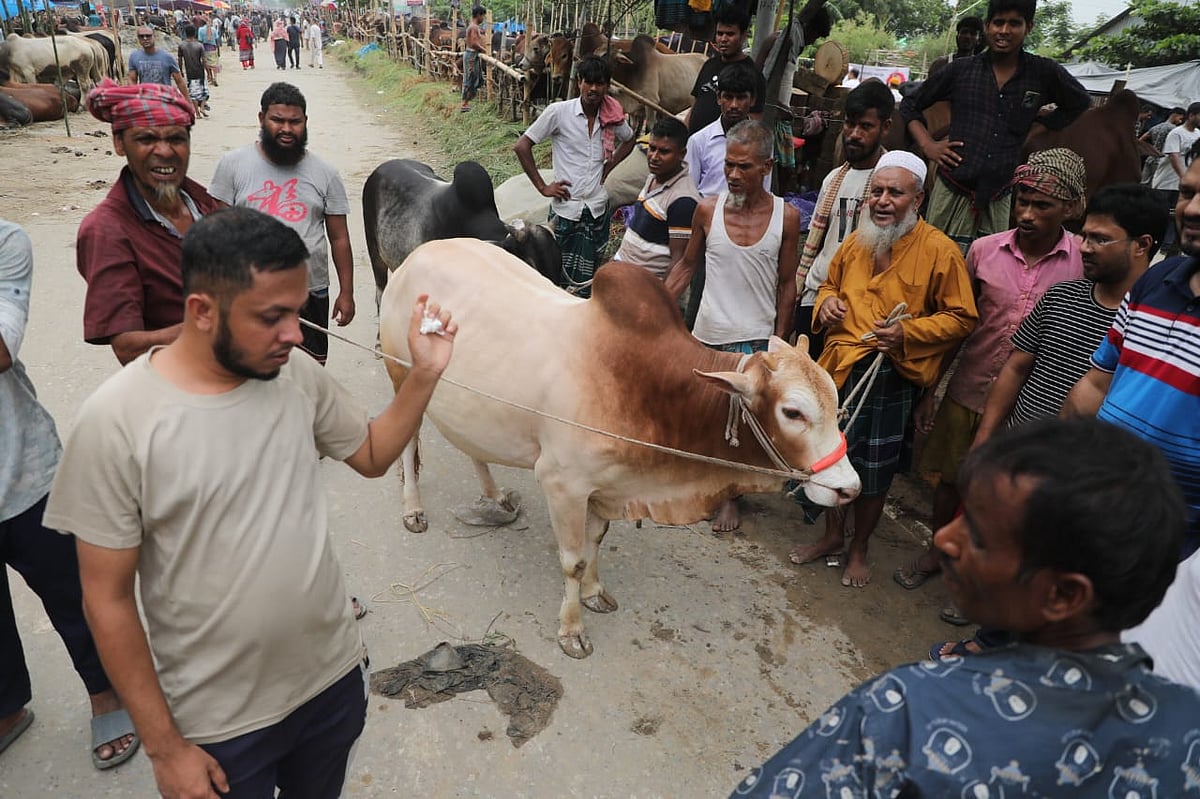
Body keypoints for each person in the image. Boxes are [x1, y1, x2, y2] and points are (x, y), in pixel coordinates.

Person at [43, 207, 457, 799]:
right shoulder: (116, 423)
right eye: (272, 317)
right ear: (202, 311)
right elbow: (106, 600)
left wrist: (424, 373)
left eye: (296, 311)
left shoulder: (293, 378)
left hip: (331, 682)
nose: (296, 334)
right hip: (221, 723)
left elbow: (369, 454)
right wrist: (165, 748)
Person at [730, 417, 1200, 798]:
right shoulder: (1187, 733)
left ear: (1063, 595)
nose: (943, 539)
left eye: (975, 532)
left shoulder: (908, 710)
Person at [899, 149, 1086, 599]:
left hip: (1035, 406)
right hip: (969, 389)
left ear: (1070, 208)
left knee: (1008, 494)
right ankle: (939, 551)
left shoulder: (1081, 260)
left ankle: (982, 573)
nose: (1026, 213)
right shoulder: (983, 252)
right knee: (950, 479)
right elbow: (958, 327)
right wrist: (930, 391)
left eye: (1042, 205)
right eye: (1022, 200)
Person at [789, 151, 977, 587]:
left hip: (890, 377)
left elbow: (963, 318)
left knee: (874, 471)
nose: (883, 200)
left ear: (919, 198)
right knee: (831, 459)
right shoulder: (856, 242)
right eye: (877, 190)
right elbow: (829, 285)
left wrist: (908, 334)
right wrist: (826, 304)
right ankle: (833, 535)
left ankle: (860, 548)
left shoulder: (940, 252)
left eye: (895, 192)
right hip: (838, 371)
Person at [0, 220, 138, 769]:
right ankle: (8, 706)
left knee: (72, 593)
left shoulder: (6, 242)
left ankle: (105, 690)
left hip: (20, 470)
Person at [664, 121, 801, 532]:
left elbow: (787, 284)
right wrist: (655, 305)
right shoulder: (707, 210)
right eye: (728, 165)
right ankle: (699, 484)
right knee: (703, 418)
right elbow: (687, 265)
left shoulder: (787, 218)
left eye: (744, 167)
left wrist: (778, 342)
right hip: (707, 333)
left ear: (766, 167)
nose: (734, 175)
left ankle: (729, 497)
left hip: (755, 339)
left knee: (742, 426)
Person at [1064, 156, 1200, 557]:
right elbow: (1096, 382)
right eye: (1188, 192)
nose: (1191, 209)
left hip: (1168, 544)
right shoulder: (1157, 281)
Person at [901, 0, 1091, 253]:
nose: (1004, 30)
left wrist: (1040, 126)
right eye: (998, 22)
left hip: (999, 194)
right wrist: (928, 145)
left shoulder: (1042, 72)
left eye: (1014, 23)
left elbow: (1079, 101)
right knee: (931, 258)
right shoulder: (961, 71)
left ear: (1028, 27)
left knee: (990, 269)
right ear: (988, 26)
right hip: (952, 187)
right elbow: (910, 104)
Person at [210, 82, 355, 367]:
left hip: (311, 291)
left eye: (295, 121)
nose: (286, 129)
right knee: (250, 372)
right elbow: (217, 232)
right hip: (248, 293)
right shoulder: (232, 165)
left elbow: (339, 238)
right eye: (278, 120)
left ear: (305, 122)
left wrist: (347, 292)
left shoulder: (325, 173)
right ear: (262, 119)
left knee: (308, 372)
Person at [76, 80, 220, 366]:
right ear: (119, 143)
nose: (165, 152)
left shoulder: (203, 202)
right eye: (146, 139)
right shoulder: (107, 229)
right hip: (176, 389)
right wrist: (222, 326)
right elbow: (128, 347)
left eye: (176, 139)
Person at [514, 55, 635, 296]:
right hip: (566, 210)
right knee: (555, 274)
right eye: (588, 82)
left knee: (589, 281)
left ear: (607, 85)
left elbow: (630, 139)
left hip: (597, 209)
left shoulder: (611, 115)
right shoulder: (559, 112)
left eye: (599, 83)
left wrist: (610, 165)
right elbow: (522, 146)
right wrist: (543, 187)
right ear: (579, 82)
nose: (593, 89)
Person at [795, 81, 893, 361]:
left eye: (865, 126)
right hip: (816, 296)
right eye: (850, 124)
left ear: (885, 127)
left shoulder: (891, 184)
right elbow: (815, 244)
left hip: (858, 305)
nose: (854, 134)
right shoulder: (834, 178)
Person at [611, 117, 701, 280]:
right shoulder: (653, 177)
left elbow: (678, 262)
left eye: (664, 151)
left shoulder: (683, 200)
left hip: (645, 289)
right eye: (652, 148)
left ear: (682, 154)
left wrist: (658, 299)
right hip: (623, 277)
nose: (654, 156)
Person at [686, 61, 765, 198]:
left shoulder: (762, 143)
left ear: (752, 100)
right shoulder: (699, 141)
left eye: (741, 98)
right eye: (728, 97)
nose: (734, 105)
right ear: (718, 98)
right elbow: (689, 192)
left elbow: (764, 192)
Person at [686, 6, 765, 135]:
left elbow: (754, 120)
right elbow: (695, 107)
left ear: (744, 35)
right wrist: (684, 138)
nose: (723, 39)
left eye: (730, 34)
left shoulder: (753, 74)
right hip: (696, 145)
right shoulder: (709, 65)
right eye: (719, 33)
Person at [1150, 101, 1200, 257]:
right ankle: (1155, 248)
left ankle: (1168, 249)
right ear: (1191, 115)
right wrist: (1184, 177)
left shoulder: (1198, 134)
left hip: (1185, 188)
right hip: (1166, 182)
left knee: (1178, 218)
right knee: (1162, 216)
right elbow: (1173, 155)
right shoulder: (1176, 133)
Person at [128, 26, 189, 100]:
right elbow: (132, 80)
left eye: (148, 36)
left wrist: (187, 101)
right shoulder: (134, 57)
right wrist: (134, 97)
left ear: (154, 36)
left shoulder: (167, 57)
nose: (145, 38)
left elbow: (179, 81)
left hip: (165, 98)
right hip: (146, 99)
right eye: (141, 36)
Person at [1139, 105, 1183, 184]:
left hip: (1150, 158)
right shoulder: (1174, 130)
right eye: (1180, 119)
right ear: (1175, 115)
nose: (1180, 122)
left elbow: (1141, 140)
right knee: (1156, 184)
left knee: (1143, 182)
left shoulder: (1156, 127)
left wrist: (1149, 149)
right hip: (1161, 160)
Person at [177, 25, 208, 119]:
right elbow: (204, 60)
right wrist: (208, 72)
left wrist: (181, 70)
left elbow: (179, 59)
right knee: (204, 91)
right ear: (195, 33)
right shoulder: (199, 45)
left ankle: (197, 113)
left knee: (193, 93)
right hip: (199, 70)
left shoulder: (181, 45)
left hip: (189, 71)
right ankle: (202, 107)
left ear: (185, 33)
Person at [460, 6, 486, 112]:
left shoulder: (472, 26)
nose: (483, 18)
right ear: (478, 15)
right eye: (483, 16)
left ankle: (466, 102)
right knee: (470, 78)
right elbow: (474, 43)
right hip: (471, 55)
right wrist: (483, 49)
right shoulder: (474, 27)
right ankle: (464, 104)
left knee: (474, 78)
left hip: (471, 54)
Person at [197, 14, 221, 87]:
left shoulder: (200, 30)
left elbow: (200, 41)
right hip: (213, 49)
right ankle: (215, 78)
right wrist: (219, 50)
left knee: (207, 65)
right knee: (214, 64)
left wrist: (199, 52)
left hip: (205, 49)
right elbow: (217, 41)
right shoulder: (213, 29)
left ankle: (209, 76)